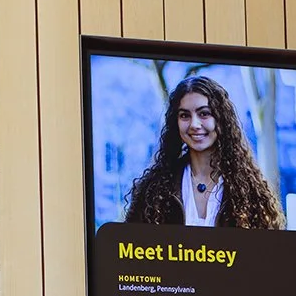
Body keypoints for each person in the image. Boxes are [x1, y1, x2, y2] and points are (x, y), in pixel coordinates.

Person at [122, 74, 285, 230]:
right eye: (185, 115)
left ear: (221, 119)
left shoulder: (249, 191)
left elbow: (268, 253)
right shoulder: (154, 189)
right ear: (176, 122)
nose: (194, 124)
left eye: (204, 114)